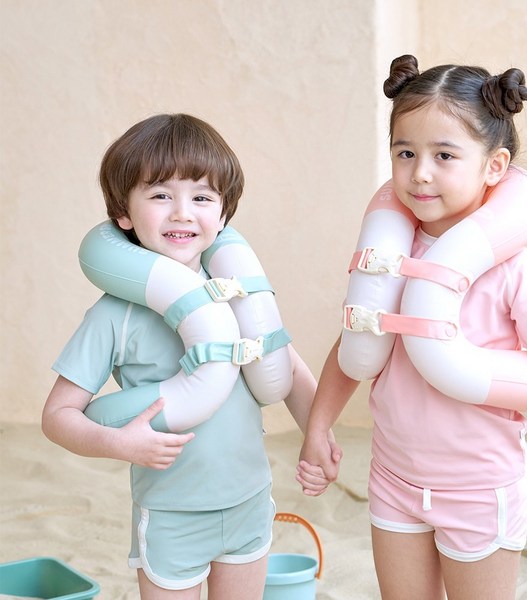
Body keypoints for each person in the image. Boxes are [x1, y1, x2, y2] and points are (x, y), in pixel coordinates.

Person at [297, 55, 527, 600]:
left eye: (444, 155)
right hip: (394, 480)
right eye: (405, 153)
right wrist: (318, 426)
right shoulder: (389, 251)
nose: (420, 173)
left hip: (480, 492)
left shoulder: (512, 269)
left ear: (494, 166)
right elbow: (356, 340)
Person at [42, 113, 335, 599]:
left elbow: (286, 364)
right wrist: (120, 444)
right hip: (171, 513)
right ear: (123, 213)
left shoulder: (234, 291)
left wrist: (317, 436)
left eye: (201, 197)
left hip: (248, 501)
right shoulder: (114, 315)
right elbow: (57, 416)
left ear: (223, 214)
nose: (182, 213)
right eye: (160, 195)